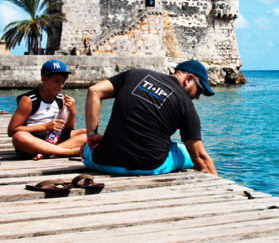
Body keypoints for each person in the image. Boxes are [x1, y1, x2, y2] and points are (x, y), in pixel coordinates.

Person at [81, 60, 218, 176]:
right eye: (199, 90)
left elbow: (94, 91)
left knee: (84, 148)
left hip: (105, 163)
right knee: (186, 153)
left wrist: (92, 135)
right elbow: (199, 157)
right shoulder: (186, 105)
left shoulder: (135, 74)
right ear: (188, 79)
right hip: (149, 167)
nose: (198, 97)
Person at [8, 60, 87, 160]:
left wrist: (72, 112)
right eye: (57, 81)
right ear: (44, 79)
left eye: (63, 82)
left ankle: (47, 152)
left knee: (90, 133)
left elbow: (67, 128)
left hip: (53, 138)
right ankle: (68, 152)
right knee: (18, 137)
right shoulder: (29, 100)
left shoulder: (60, 99)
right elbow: (12, 130)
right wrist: (44, 126)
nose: (61, 86)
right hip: (33, 141)